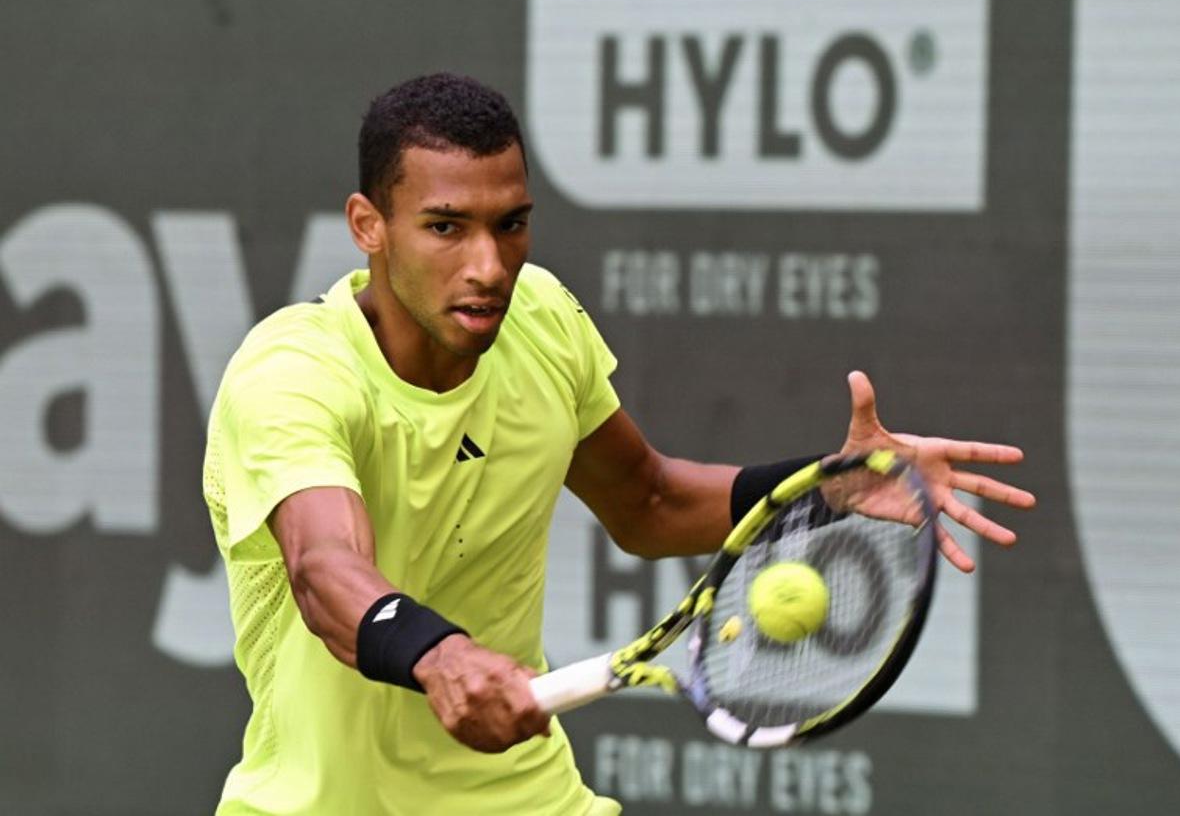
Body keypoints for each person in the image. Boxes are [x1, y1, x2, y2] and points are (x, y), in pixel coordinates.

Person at [203, 73, 1035, 815]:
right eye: (446, 227)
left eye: (511, 224)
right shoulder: (293, 371)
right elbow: (324, 567)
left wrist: (829, 486)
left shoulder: (542, 321)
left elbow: (648, 500)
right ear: (369, 225)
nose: (489, 265)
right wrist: (438, 655)